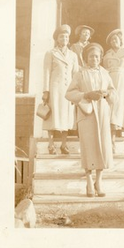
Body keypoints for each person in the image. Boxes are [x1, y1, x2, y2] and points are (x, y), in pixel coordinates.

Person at [65, 43, 117, 197]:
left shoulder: (105, 73)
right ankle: (89, 181)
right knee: (88, 147)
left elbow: (114, 93)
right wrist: (86, 95)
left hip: (101, 113)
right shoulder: (80, 74)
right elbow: (69, 94)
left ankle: (99, 182)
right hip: (86, 114)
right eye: (90, 56)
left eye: (96, 56)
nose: (94, 59)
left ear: (100, 58)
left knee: (102, 147)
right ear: (86, 58)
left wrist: (106, 93)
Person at [42, 24, 79, 154]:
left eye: (66, 36)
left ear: (69, 39)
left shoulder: (73, 55)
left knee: (66, 116)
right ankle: (51, 145)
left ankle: (64, 145)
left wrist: (77, 91)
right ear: (57, 39)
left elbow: (76, 74)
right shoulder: (50, 53)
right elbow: (47, 72)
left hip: (68, 90)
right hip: (54, 89)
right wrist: (46, 91)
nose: (64, 38)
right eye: (61, 36)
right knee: (52, 115)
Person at [103, 29, 124, 153]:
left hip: (122, 82)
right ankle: (110, 142)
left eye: (116, 39)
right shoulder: (107, 55)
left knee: (120, 108)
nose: (114, 42)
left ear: (120, 40)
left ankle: (117, 139)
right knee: (111, 108)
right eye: (112, 40)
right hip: (111, 80)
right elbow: (104, 70)